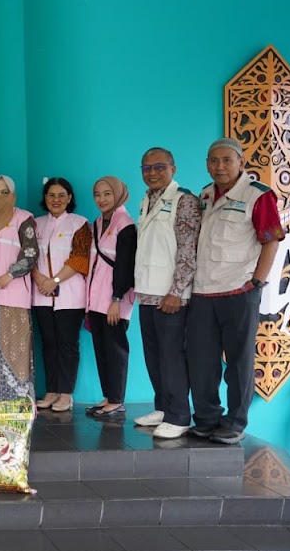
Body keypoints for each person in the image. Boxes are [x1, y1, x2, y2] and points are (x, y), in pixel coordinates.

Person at [187, 138, 282, 444]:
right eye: (213, 160)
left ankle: (235, 422)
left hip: (238, 292)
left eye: (227, 160)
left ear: (241, 162)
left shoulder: (258, 195)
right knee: (202, 361)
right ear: (207, 164)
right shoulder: (204, 195)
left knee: (239, 362)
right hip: (203, 292)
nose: (220, 166)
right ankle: (206, 418)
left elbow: (271, 240)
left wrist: (255, 282)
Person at [134, 148, 202, 438]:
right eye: (146, 168)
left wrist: (176, 291)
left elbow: (188, 250)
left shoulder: (183, 201)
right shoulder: (146, 200)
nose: (152, 172)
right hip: (147, 293)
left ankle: (179, 416)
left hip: (170, 296)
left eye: (159, 167)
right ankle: (163, 407)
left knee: (172, 357)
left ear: (173, 169)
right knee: (154, 356)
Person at [31, 177, 91, 413]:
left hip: (69, 295)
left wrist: (53, 281)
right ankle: (51, 390)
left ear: (69, 198)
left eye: (61, 195)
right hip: (41, 294)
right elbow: (28, 256)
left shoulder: (79, 223)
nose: (56, 200)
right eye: (51, 195)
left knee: (67, 344)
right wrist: (40, 280)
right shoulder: (35, 224)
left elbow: (80, 258)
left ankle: (66, 393)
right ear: (45, 198)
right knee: (48, 344)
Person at [0, 175, 38, 401]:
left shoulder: (23, 218)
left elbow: (31, 254)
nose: (0, 196)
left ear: (13, 195)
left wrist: (10, 274)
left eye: (5, 192)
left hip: (12, 292)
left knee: (14, 346)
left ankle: (17, 399)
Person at [85, 176, 137, 419]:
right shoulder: (98, 223)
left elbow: (125, 266)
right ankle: (109, 396)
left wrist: (116, 299)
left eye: (107, 194)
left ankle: (117, 400)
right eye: (97, 194)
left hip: (115, 300)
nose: (101, 199)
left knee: (115, 350)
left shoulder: (125, 225)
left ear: (118, 194)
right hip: (96, 299)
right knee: (102, 349)